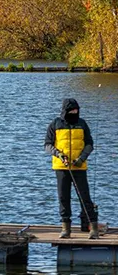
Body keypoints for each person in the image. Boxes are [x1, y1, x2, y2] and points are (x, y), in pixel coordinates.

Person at [45, 98, 98, 239]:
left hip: (79, 167)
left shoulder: (82, 124)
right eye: (72, 110)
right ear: (65, 111)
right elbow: (47, 145)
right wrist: (59, 155)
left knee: (85, 197)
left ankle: (93, 228)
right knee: (63, 198)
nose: (75, 112)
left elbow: (90, 144)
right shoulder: (55, 124)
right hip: (61, 167)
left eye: (76, 110)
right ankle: (65, 229)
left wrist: (81, 159)